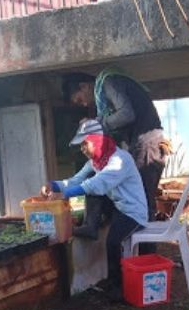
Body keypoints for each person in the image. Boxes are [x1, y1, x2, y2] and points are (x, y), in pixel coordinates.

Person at [42, 119, 147, 301]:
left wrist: (66, 194)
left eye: (85, 144)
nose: (82, 149)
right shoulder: (96, 162)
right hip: (117, 207)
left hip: (133, 212)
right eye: (81, 145)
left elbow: (97, 184)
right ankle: (88, 226)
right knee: (86, 190)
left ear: (98, 141)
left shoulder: (120, 159)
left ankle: (117, 286)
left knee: (113, 242)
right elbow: (75, 180)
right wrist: (53, 185)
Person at [62, 67, 167, 239]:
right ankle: (95, 226)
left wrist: (97, 124)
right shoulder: (103, 98)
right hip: (143, 144)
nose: (84, 104)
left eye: (80, 99)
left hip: (147, 144)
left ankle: (145, 252)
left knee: (142, 200)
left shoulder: (109, 82)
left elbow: (126, 114)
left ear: (84, 86)